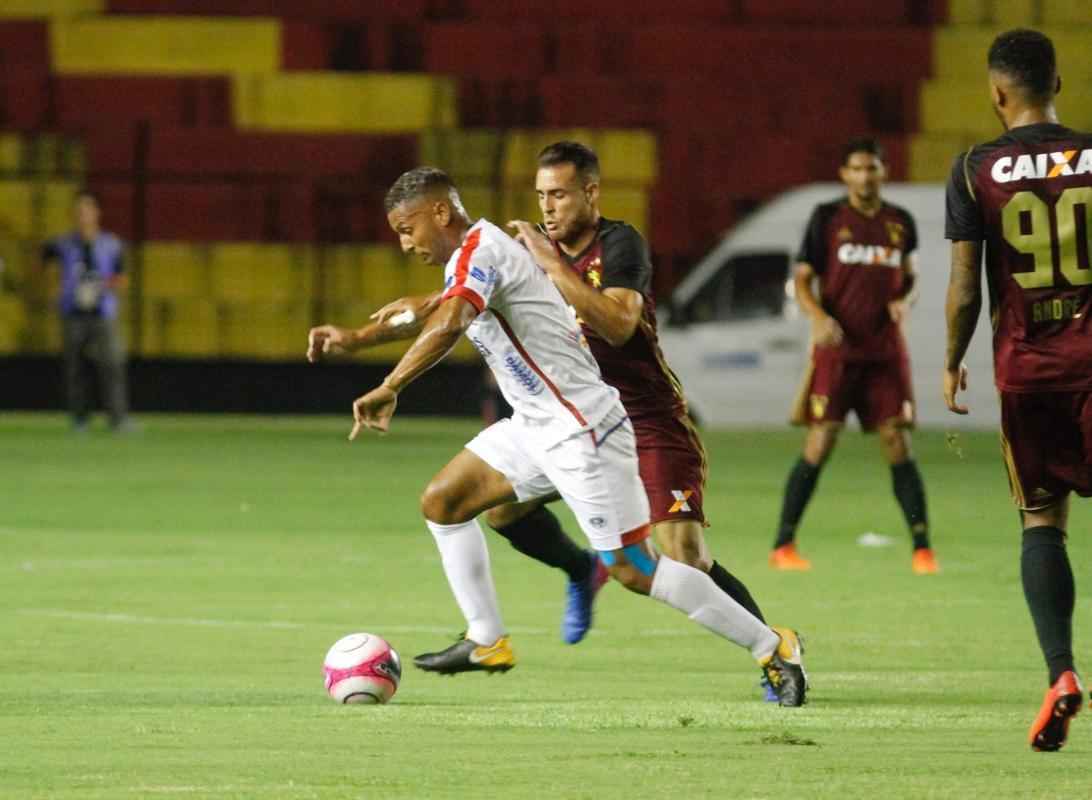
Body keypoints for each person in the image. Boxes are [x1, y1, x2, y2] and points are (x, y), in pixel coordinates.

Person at [308, 166, 807, 705]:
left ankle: (770, 646)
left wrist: (391, 386)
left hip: (581, 429)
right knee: (443, 501)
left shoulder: (484, 251)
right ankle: (486, 639)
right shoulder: (474, 256)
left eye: (407, 229)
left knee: (635, 570)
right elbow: (425, 311)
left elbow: (450, 321)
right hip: (536, 426)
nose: (405, 244)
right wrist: (358, 338)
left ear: (439, 213)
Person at [944, 28, 1092, 752]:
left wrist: (950, 361)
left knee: (1041, 521)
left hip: (1029, 373)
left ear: (997, 94)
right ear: (1057, 83)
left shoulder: (975, 167)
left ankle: (1060, 673)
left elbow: (965, 289)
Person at [770, 138, 938, 574]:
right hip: (838, 350)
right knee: (820, 440)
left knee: (896, 440)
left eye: (873, 168)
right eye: (857, 169)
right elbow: (803, 278)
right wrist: (817, 317)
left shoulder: (900, 221)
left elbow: (913, 277)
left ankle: (923, 549)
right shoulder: (826, 218)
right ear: (844, 174)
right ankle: (783, 544)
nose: (865, 176)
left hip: (884, 351)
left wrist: (907, 299)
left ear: (883, 172)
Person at [42, 190, 131, 432]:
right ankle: (79, 420)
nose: (84, 215)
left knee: (112, 365)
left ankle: (118, 419)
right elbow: (43, 263)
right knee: (76, 368)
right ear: (74, 215)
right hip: (73, 313)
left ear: (97, 213)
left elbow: (122, 279)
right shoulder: (62, 244)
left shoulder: (111, 244)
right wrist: (54, 291)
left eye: (88, 210)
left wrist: (103, 287)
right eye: (79, 211)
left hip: (103, 313)